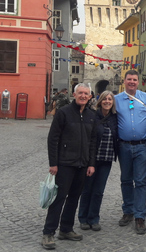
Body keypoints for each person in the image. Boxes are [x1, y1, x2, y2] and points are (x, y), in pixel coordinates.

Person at [41, 83, 96, 250]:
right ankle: (48, 232)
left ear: (90, 96)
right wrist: (53, 163)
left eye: (86, 93)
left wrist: (91, 163)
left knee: (74, 198)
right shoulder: (63, 113)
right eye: (80, 93)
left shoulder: (91, 115)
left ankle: (66, 229)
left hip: (82, 163)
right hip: (64, 163)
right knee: (58, 198)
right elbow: (53, 139)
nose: (83, 96)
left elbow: (93, 142)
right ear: (74, 94)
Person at [114, 69, 146, 234]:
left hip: (143, 146)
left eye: (134, 79)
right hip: (124, 146)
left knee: (141, 182)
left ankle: (140, 216)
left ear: (138, 82)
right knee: (126, 180)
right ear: (124, 81)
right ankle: (128, 211)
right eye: (129, 79)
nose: (132, 82)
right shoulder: (116, 100)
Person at [78, 90, 118, 232]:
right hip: (92, 160)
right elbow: (89, 139)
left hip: (106, 160)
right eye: (105, 99)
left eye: (110, 99)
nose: (107, 101)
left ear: (113, 102)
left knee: (98, 191)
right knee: (87, 189)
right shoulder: (92, 116)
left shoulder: (115, 117)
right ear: (100, 101)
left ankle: (94, 218)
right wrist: (90, 162)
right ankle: (83, 218)